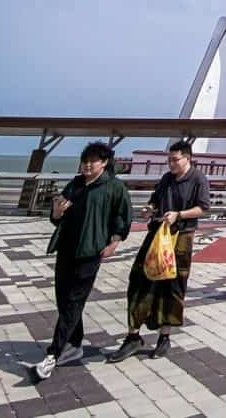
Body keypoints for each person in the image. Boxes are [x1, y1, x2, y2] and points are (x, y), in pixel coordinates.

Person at [32, 142, 132, 381]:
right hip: (66, 249)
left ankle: (53, 354)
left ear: (105, 162)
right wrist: (56, 212)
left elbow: (123, 217)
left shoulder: (115, 187)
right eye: (85, 161)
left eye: (93, 161)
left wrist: (114, 243)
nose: (87, 165)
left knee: (74, 302)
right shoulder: (75, 184)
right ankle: (74, 344)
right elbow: (58, 217)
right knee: (63, 300)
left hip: (90, 252)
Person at [108, 141, 210, 362]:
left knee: (172, 286)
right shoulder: (166, 178)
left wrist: (179, 215)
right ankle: (133, 335)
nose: (171, 163)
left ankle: (165, 336)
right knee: (138, 278)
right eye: (169, 160)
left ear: (187, 158)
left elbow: (203, 207)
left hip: (181, 237)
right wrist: (150, 208)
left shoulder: (198, 179)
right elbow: (155, 199)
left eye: (175, 159)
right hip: (157, 233)